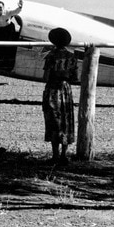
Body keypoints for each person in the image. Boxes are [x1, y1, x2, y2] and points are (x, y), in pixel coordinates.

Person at [42, 27, 78, 165]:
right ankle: (64, 154)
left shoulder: (50, 56)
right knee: (66, 120)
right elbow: (75, 78)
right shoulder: (72, 57)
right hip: (66, 90)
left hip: (53, 89)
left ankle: (55, 155)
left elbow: (45, 77)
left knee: (53, 121)